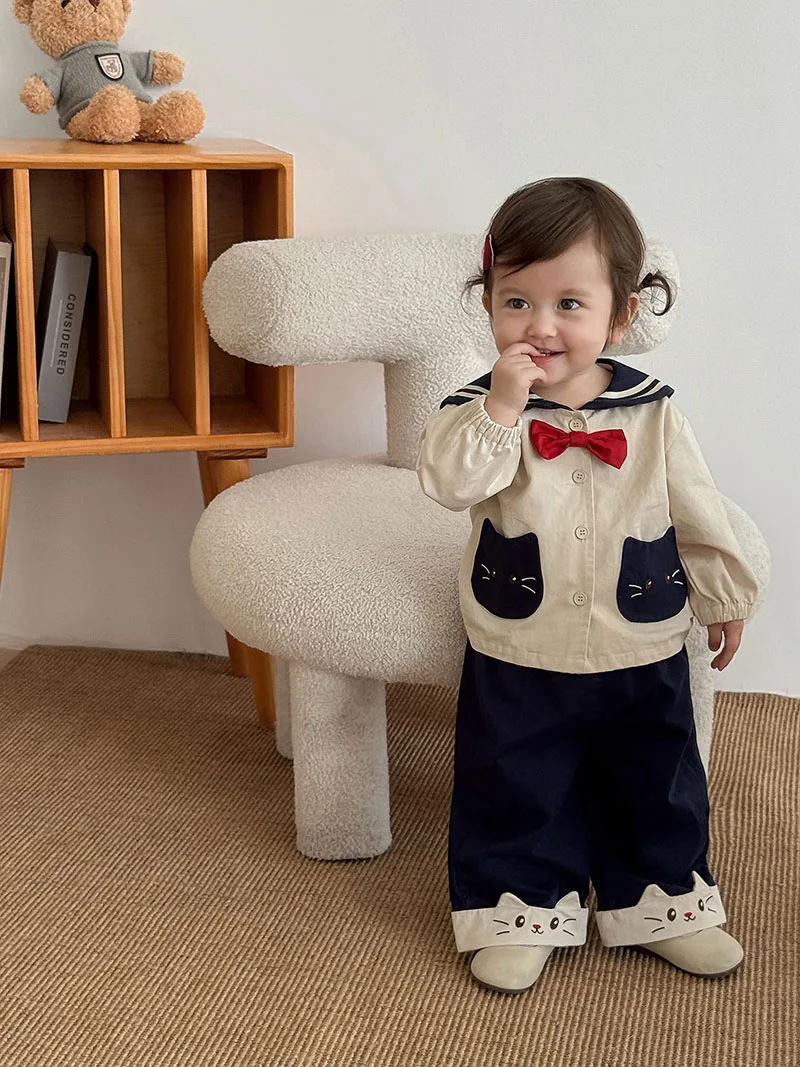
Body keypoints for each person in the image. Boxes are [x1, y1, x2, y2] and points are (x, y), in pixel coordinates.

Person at [416, 177, 759, 995]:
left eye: (569, 303)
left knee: (657, 776)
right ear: (488, 306)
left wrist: (722, 594)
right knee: (516, 778)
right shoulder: (476, 411)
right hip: (519, 640)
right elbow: (449, 483)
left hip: (639, 634)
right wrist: (503, 407)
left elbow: (696, 508)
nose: (540, 326)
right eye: (516, 301)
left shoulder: (655, 412)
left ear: (620, 315)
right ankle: (521, 908)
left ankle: (664, 902)